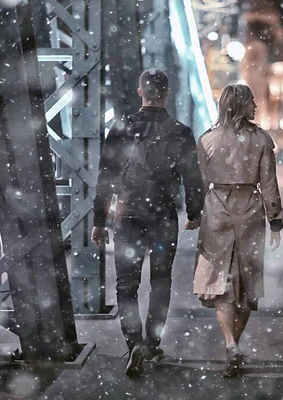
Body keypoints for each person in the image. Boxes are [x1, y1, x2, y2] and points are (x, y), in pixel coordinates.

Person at [91, 69, 204, 377]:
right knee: (161, 281)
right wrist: (195, 213)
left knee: (126, 285)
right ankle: (152, 343)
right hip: (163, 216)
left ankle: (134, 343)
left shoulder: (122, 126)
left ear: (140, 92)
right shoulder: (180, 131)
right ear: (168, 93)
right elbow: (192, 178)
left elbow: (106, 176)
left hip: (127, 216)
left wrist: (100, 219)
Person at [193, 83, 283, 378]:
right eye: (252, 103)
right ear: (241, 105)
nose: (256, 107)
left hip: (217, 211)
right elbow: (269, 183)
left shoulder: (207, 140)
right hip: (250, 213)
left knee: (221, 284)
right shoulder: (261, 141)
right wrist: (276, 219)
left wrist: (195, 214)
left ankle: (230, 343)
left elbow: (201, 182)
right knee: (245, 284)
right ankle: (236, 343)